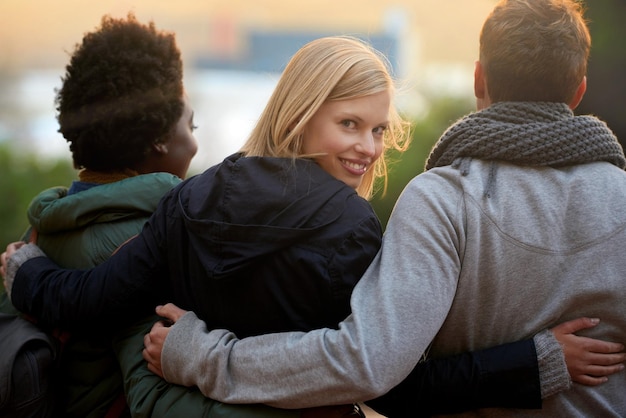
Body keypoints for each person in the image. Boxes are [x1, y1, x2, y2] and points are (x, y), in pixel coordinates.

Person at [1, 32, 623, 416]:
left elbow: (87, 299)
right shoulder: (353, 234)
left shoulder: (192, 200)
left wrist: (25, 268)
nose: (370, 149)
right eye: (349, 125)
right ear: (300, 115)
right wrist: (537, 360)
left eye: (379, 130)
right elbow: (392, 384)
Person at [0, 13, 288, 418]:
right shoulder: (150, 247)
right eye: (191, 125)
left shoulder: (38, 236)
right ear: (157, 138)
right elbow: (156, 401)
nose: (194, 144)